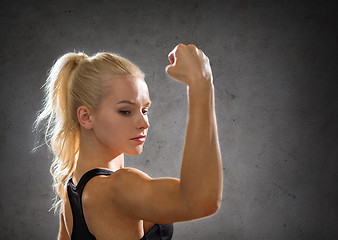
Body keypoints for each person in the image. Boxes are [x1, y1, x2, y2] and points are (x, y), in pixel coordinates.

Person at [34, 43, 222, 240]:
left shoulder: (71, 192)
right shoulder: (118, 188)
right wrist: (201, 82)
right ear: (87, 117)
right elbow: (200, 200)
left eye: (145, 110)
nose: (144, 123)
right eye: (125, 111)